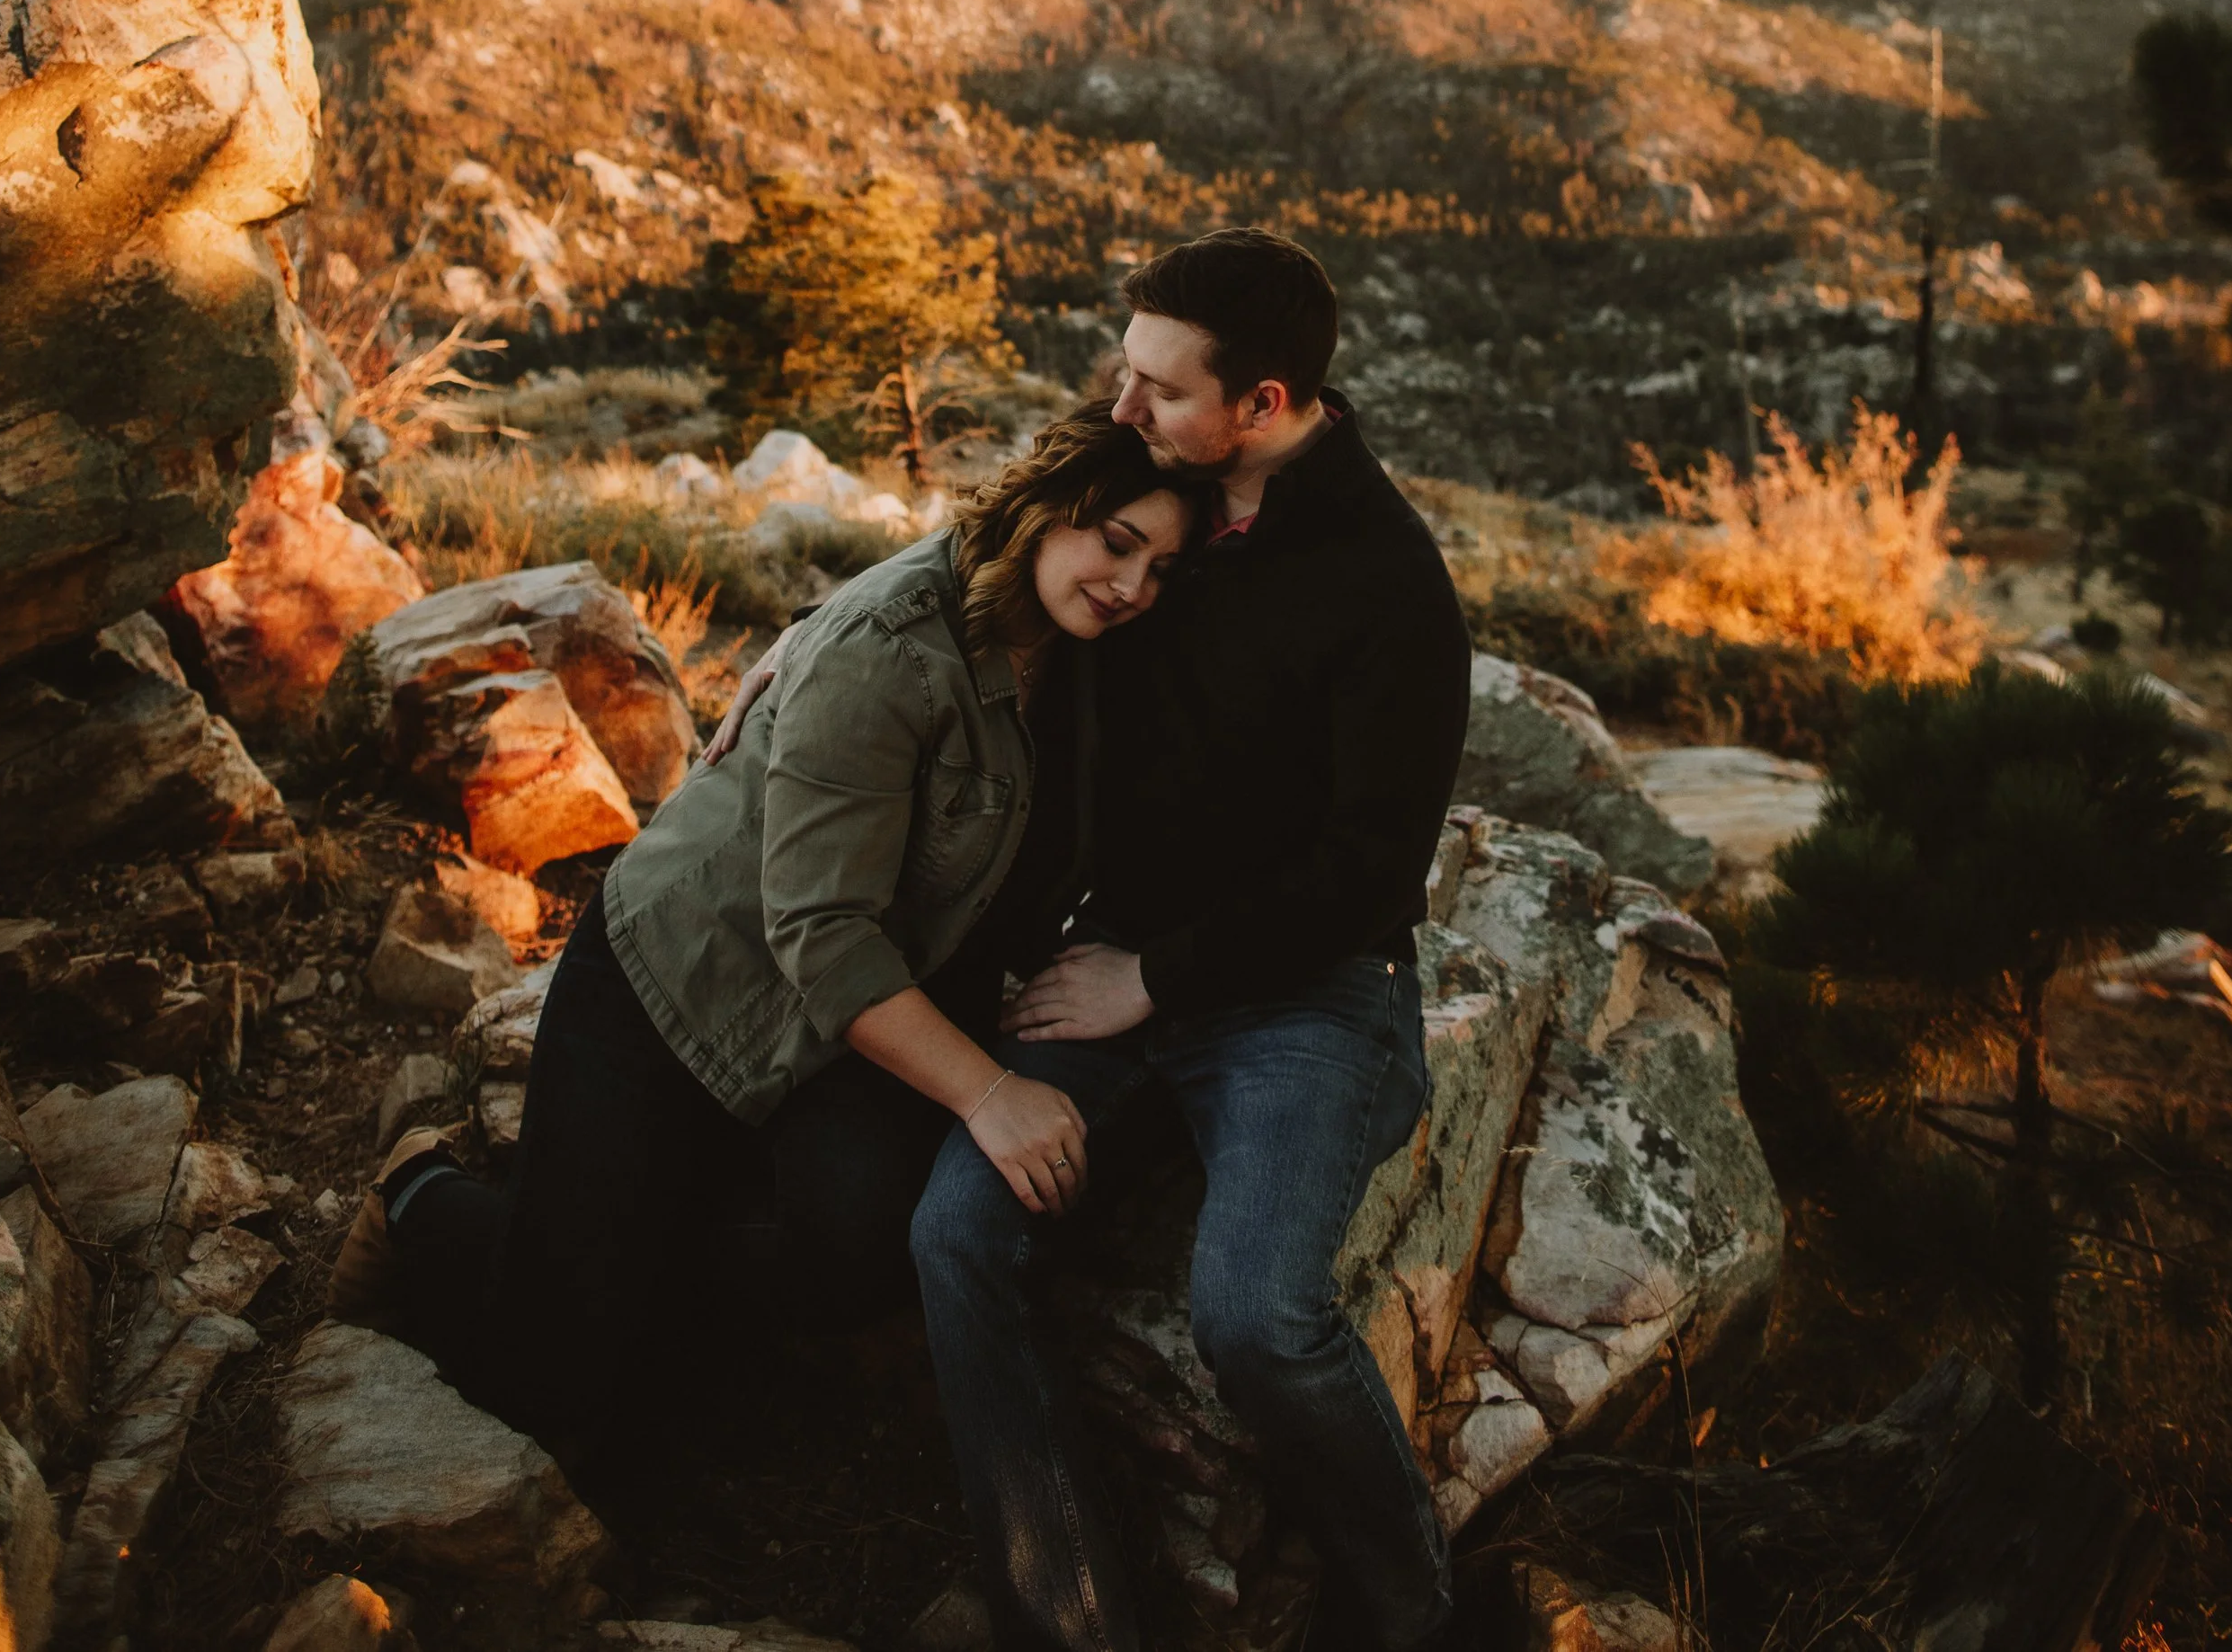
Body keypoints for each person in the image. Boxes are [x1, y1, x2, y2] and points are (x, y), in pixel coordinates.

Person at [327, 402, 1199, 1498]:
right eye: (1115, 543)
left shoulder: (1088, 645)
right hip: (690, 979)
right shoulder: (896, 649)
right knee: (556, 1382)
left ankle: (635, 1249)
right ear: (1042, 512)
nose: (1131, 587)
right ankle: (425, 1199)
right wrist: (988, 1094)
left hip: (877, 994)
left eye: (1162, 567)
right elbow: (821, 935)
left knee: (860, 1246)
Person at [909, 227, 1474, 1652]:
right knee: (956, 1232)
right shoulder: (1150, 484)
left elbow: (1367, 875)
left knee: (1255, 1316)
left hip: (1308, 997)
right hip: (1116, 959)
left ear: (1267, 406)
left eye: (1160, 386)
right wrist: (823, 645)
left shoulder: (1389, 586)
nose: (1121, 406)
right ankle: (1070, 1613)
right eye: (1126, 371)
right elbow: (1006, 533)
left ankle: (1409, 1613)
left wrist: (1150, 981)